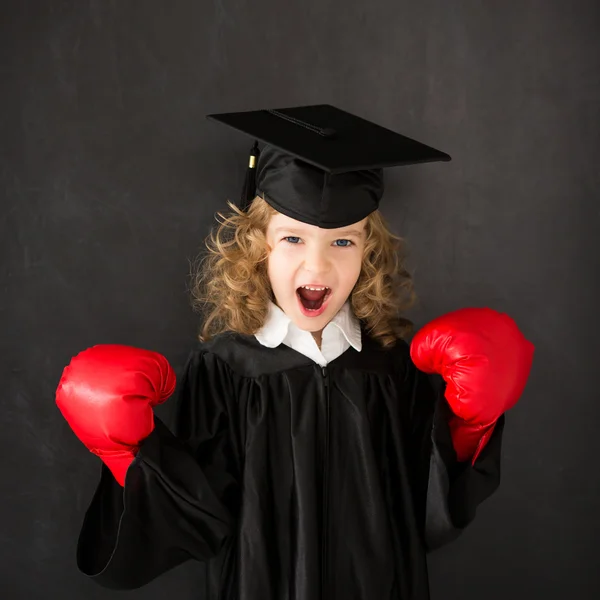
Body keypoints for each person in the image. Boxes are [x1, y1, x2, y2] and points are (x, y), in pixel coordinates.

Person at [55, 104, 534, 600]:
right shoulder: (226, 368)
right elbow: (201, 519)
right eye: (292, 238)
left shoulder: (391, 367)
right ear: (258, 246)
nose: (317, 264)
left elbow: (425, 508)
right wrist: (125, 450)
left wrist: (468, 424)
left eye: (343, 241)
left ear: (368, 253)